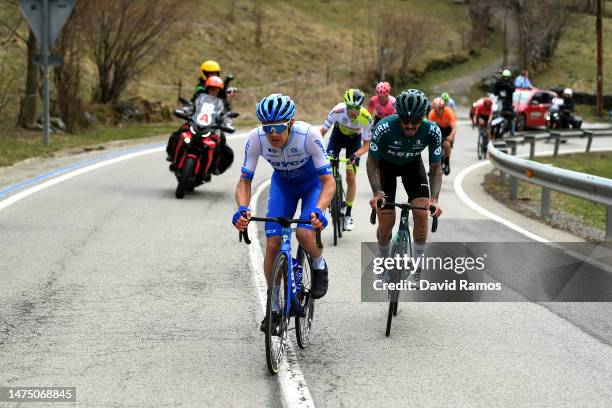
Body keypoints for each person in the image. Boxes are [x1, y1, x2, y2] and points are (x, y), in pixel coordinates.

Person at [233, 94, 335, 332]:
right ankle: (275, 308)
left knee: (304, 234)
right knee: (272, 244)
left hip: (313, 186)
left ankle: (319, 264)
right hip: (283, 186)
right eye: (267, 128)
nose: (273, 134)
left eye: (279, 127)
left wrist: (319, 210)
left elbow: (328, 182)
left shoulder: (309, 135)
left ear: (291, 123)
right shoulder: (256, 139)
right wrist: (242, 209)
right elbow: (244, 182)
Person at [366, 89, 443, 284]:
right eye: (405, 121)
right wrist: (377, 193)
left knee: (421, 213)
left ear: (423, 117)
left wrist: (434, 199)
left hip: (413, 167)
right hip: (385, 167)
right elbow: (371, 163)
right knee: (386, 223)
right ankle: (384, 262)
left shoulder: (432, 131)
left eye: (415, 121)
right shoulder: (384, 127)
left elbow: (435, 168)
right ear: (397, 116)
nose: (409, 126)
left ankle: (417, 267)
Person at [320, 89, 373, 231]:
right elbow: (321, 133)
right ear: (346, 106)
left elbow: (367, 144)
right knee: (326, 171)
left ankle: (348, 214)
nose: (353, 112)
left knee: (351, 177)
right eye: (350, 108)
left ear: (360, 107)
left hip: (354, 142)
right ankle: (324, 205)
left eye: (356, 108)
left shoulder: (366, 117)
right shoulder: (337, 111)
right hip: (337, 137)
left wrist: (356, 155)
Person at [427, 97, 457, 175]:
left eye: (439, 109)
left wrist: (451, 136)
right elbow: (429, 128)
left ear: (443, 108)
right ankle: (432, 167)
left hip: (448, 129)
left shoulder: (449, 112)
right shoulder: (432, 114)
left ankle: (447, 163)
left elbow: (454, 127)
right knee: (432, 146)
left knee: (447, 144)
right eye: (436, 110)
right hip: (439, 128)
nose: (438, 112)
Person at [494, 69, 516, 136]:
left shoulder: (511, 83)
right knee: (496, 115)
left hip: (508, 103)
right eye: (504, 77)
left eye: (507, 77)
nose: (505, 79)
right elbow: (495, 92)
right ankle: (496, 130)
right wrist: (498, 84)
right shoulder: (499, 83)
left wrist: (506, 85)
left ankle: (512, 132)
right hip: (499, 102)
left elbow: (513, 89)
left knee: (511, 116)